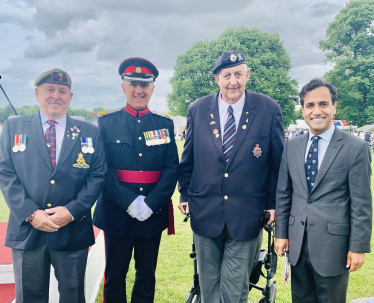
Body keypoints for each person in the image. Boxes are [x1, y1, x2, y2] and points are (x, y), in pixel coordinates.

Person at [178, 50, 285, 302]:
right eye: (227, 75)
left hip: (248, 214)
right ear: (217, 78)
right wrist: (184, 192)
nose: (233, 81)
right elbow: (188, 159)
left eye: (239, 74)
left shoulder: (268, 109)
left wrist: (273, 204)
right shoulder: (197, 109)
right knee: (208, 285)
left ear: (247, 75)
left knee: (235, 289)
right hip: (205, 211)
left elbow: (277, 164)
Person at [0, 68, 107, 303]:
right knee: (29, 297)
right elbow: (5, 172)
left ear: (70, 97)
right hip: (28, 231)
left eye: (62, 91)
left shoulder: (90, 132)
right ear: (37, 94)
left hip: (71, 230)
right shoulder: (13, 127)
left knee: (72, 296)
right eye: (50, 90)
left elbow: (97, 176)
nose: (56, 95)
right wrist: (30, 213)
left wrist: (71, 211)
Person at [275, 78, 372, 303]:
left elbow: (361, 203)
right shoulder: (292, 147)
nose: (316, 111)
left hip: (334, 246)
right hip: (297, 243)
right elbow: (283, 193)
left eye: (323, 104)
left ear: (334, 106)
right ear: (303, 109)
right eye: (310, 105)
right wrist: (281, 233)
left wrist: (357, 247)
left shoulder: (355, 148)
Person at [93, 57, 179, 303]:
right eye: (133, 84)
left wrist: (151, 203)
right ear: (123, 87)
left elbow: (171, 168)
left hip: (152, 213)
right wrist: (129, 202)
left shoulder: (164, 124)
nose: (139, 90)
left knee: (146, 277)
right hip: (117, 211)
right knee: (114, 275)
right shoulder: (107, 123)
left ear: (152, 89)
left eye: (145, 85)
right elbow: (103, 169)